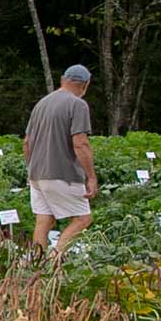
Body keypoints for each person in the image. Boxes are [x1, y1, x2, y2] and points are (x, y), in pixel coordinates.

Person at [26, 63, 98, 260]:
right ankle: (55, 258)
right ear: (85, 85)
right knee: (83, 218)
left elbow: (26, 143)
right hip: (62, 173)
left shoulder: (41, 104)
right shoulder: (77, 104)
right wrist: (91, 177)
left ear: (62, 80)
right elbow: (80, 143)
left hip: (36, 174)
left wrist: (31, 169)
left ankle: (35, 264)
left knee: (44, 220)